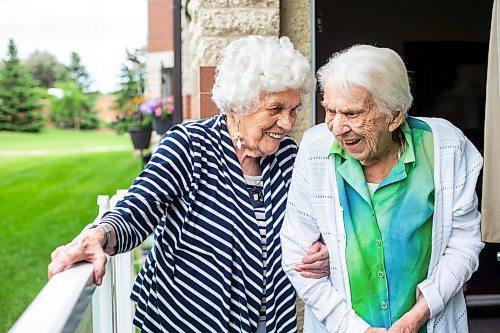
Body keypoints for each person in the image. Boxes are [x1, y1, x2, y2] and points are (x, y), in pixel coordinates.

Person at [48, 35, 330, 333]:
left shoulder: (287, 156)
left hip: (269, 320)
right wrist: (101, 234)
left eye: (293, 109)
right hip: (187, 319)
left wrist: (319, 253)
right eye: (275, 109)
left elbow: (309, 225)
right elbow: (139, 206)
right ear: (240, 104)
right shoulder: (190, 145)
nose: (287, 123)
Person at [281, 44, 484, 333]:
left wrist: (419, 315)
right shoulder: (315, 150)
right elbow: (295, 253)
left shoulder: (445, 147)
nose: (337, 128)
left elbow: (464, 241)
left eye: (352, 113)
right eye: (329, 110)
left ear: (394, 116)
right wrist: (353, 328)